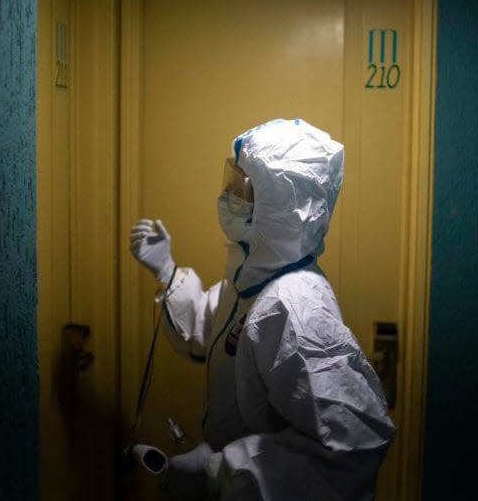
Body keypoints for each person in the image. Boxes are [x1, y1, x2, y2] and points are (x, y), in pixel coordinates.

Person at [128, 118, 395, 500]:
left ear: (282, 207)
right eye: (231, 181)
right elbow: (214, 332)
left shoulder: (295, 307)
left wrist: (216, 471)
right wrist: (167, 270)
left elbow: (354, 444)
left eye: (244, 188)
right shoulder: (257, 278)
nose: (229, 196)